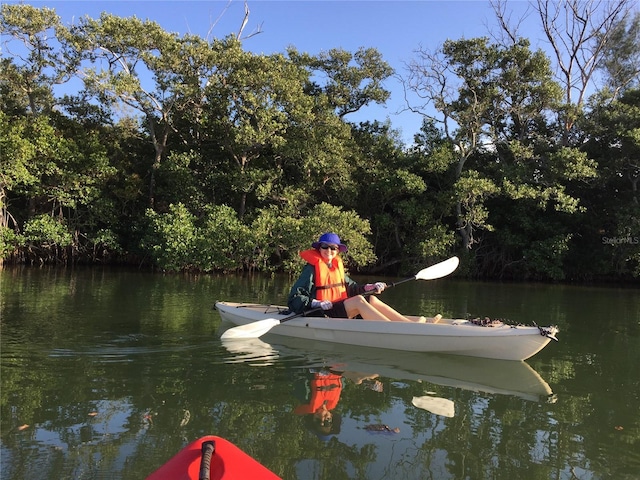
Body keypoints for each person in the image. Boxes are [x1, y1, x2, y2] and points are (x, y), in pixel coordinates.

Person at [287, 232, 423, 322]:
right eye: (325, 247)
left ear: (337, 250)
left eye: (333, 248)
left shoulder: (335, 267)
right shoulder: (310, 270)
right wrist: (316, 303)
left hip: (337, 309)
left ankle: (409, 324)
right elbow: (294, 298)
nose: (329, 251)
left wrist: (371, 286)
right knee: (358, 300)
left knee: (371, 298)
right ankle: (392, 329)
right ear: (319, 248)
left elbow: (352, 287)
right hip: (321, 313)